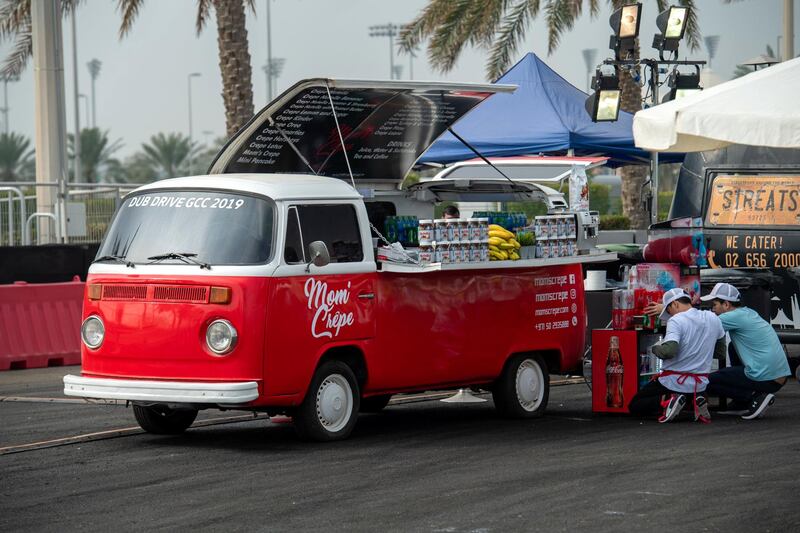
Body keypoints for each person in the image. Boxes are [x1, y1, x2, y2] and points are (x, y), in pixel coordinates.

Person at [629, 288, 726, 423]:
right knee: (690, 394)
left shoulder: (676, 320)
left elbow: (669, 352)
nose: (670, 314)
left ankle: (668, 400)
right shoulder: (713, 317)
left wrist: (655, 347)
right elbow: (720, 353)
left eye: (668, 310)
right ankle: (695, 400)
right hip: (700, 383)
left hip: (674, 381)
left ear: (674, 304)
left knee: (635, 405)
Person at [700, 283, 791, 420]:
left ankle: (753, 397)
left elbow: (697, 326)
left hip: (766, 376)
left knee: (705, 381)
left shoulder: (731, 317)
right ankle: (742, 402)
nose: (712, 309)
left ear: (726, 304)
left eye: (714, 304)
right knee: (732, 347)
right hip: (778, 374)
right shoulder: (748, 312)